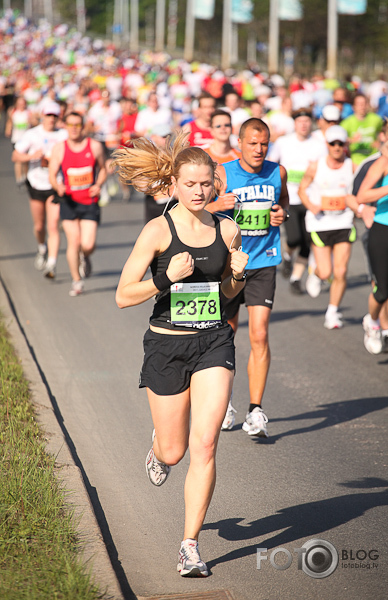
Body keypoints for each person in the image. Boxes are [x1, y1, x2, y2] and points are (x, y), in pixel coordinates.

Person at [112, 131, 249, 576]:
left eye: (205, 184)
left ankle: (189, 544)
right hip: (166, 344)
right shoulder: (157, 230)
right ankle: (158, 449)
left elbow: (227, 293)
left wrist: (238, 278)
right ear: (174, 184)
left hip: (213, 339)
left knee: (205, 442)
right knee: (174, 452)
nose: (198, 191)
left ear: (214, 185)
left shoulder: (227, 228)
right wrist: (165, 278)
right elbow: (122, 296)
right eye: (190, 184)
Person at [208, 118, 289, 435]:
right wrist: (217, 204)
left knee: (260, 334)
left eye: (264, 143)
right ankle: (224, 403)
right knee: (225, 336)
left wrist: (282, 213)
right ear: (239, 142)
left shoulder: (277, 172)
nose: (258, 149)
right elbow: (197, 209)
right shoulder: (224, 172)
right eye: (252, 143)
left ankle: (256, 410)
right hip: (230, 264)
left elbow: (284, 204)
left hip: (264, 261)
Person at [298, 126, 356, 329]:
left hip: (344, 222)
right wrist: (311, 205)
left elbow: (359, 190)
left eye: (341, 143)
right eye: (333, 143)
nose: (337, 147)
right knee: (326, 273)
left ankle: (333, 311)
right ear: (327, 145)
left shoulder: (351, 166)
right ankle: (315, 271)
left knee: (340, 271)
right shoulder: (316, 166)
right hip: (320, 223)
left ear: (346, 145)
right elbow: (302, 189)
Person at [356, 116, 388, 371]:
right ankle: (371, 320)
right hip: (384, 229)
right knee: (382, 291)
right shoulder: (385, 161)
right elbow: (362, 195)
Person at [48, 112, 107, 296]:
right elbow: (52, 174)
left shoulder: (94, 146)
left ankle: (85, 256)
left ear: (83, 127)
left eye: (77, 125)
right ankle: (77, 281)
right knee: (73, 241)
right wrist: (58, 186)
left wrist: (98, 185)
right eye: (70, 124)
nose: (74, 128)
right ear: (65, 126)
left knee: (88, 244)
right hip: (69, 202)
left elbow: (103, 169)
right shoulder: (59, 149)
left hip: (89, 201)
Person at [268, 108, 326, 293]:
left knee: (308, 241)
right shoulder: (283, 142)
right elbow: (270, 163)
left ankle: (295, 278)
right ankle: (287, 254)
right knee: (294, 238)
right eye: (300, 121)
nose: (304, 125)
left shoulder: (319, 145)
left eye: (307, 121)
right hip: (289, 198)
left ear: (311, 124)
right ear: (294, 124)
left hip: (310, 199)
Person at [12, 101, 68, 277]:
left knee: (53, 226)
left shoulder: (63, 135)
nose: (51, 119)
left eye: (54, 116)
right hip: (36, 183)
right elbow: (15, 155)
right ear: (42, 115)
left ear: (58, 117)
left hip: (55, 185)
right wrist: (31, 156)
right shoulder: (32, 134)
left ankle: (51, 264)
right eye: (48, 115)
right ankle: (42, 248)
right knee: (39, 226)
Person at [341, 93, 383, 167]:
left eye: (364, 103)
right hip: (355, 161)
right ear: (353, 106)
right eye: (359, 104)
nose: (362, 106)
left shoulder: (376, 119)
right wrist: (351, 140)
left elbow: (384, 133)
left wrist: (380, 143)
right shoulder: (347, 122)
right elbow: (339, 141)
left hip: (373, 159)